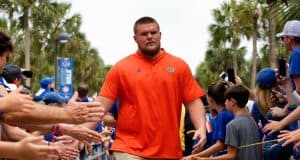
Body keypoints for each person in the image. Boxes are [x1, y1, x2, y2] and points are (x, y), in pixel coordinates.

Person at [93, 16, 207, 159]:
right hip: (129, 149)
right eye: (144, 34)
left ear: (160, 35)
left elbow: (193, 101)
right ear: (135, 38)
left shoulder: (179, 66)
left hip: (168, 152)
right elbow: (101, 105)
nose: (150, 37)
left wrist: (201, 127)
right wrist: (79, 131)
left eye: (153, 33)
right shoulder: (121, 68)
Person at [188, 84, 261, 160]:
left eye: (226, 100)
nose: (225, 103)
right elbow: (259, 149)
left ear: (232, 102)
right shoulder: (252, 120)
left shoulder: (232, 125)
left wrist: (202, 158)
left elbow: (231, 155)